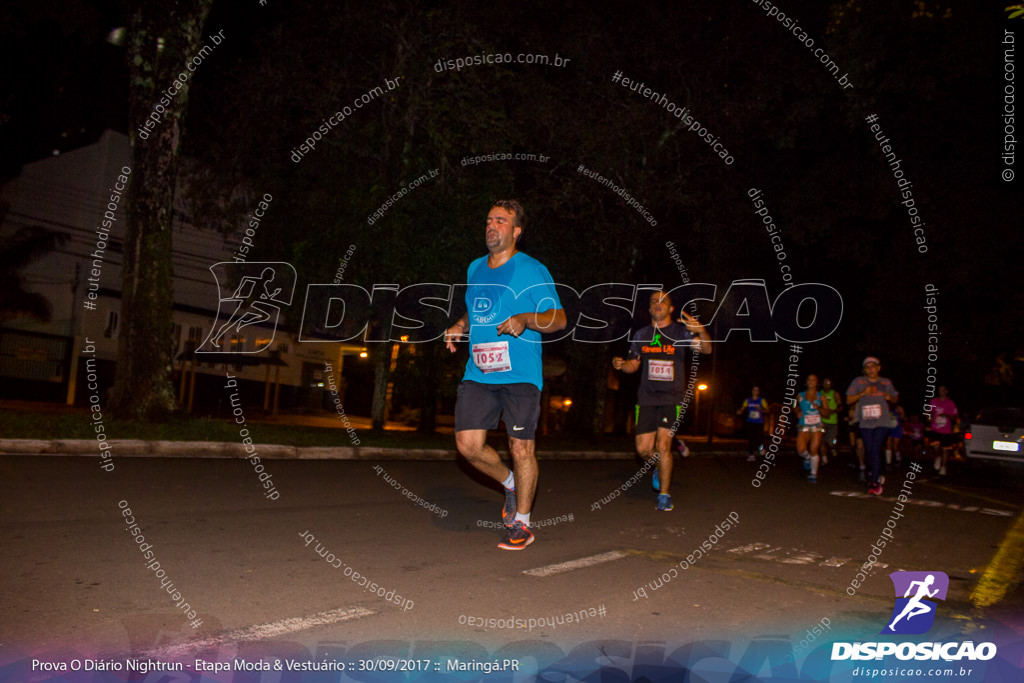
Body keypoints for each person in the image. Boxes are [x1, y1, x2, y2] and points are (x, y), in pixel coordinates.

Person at [444, 200, 566, 550]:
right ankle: (510, 482)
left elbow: (559, 319)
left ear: (516, 232)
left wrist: (526, 319)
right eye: (488, 220)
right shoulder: (474, 268)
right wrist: (459, 325)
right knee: (467, 446)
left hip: (521, 375)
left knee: (521, 447)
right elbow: (475, 309)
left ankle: (522, 524)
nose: (491, 226)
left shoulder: (531, 270)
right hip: (480, 371)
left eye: (501, 221)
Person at [611, 290, 712, 511]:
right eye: (653, 302)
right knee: (643, 450)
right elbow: (633, 365)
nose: (658, 304)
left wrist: (701, 331)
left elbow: (706, 348)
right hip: (646, 398)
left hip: (672, 397)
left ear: (671, 308)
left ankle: (664, 496)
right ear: (649, 309)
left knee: (663, 445)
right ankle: (658, 465)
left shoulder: (680, 332)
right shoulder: (641, 335)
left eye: (663, 301)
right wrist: (621, 365)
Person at [846, 357, 898, 495]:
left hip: (882, 422)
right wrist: (863, 393)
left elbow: (895, 397)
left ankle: (874, 483)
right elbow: (848, 399)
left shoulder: (886, 382)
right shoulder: (858, 382)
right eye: (867, 367)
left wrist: (890, 398)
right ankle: (878, 473)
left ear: (878, 368)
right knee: (869, 451)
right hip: (866, 422)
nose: (870, 369)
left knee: (875, 449)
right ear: (864, 370)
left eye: (873, 366)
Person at [795, 374, 830, 483]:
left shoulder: (821, 396)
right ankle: (807, 458)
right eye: (809, 379)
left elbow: (827, 413)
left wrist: (819, 408)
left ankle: (813, 474)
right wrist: (797, 411)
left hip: (816, 426)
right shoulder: (799, 395)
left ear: (817, 383)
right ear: (806, 382)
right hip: (803, 426)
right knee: (800, 449)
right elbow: (794, 406)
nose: (811, 381)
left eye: (813, 380)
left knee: (814, 449)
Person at [925, 385, 960, 476]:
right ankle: (938, 458)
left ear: (946, 391)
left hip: (946, 430)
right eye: (939, 390)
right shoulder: (933, 401)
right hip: (935, 428)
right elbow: (928, 413)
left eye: (943, 390)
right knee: (936, 446)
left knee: (945, 449)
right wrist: (929, 418)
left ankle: (943, 467)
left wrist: (946, 415)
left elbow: (955, 417)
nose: (941, 391)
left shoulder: (950, 403)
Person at [737, 386, 769, 462]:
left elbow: (767, 410)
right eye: (754, 390)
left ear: (759, 392)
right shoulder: (747, 400)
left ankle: (761, 449)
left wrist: (761, 409)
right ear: (752, 391)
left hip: (759, 422)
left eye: (757, 390)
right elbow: (742, 408)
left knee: (759, 438)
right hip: (750, 421)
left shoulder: (762, 400)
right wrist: (740, 411)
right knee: (751, 438)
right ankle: (751, 455)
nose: (756, 391)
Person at [819, 378, 842, 465]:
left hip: (832, 422)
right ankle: (824, 459)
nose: (826, 385)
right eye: (824, 383)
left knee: (831, 442)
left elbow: (840, 407)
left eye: (828, 383)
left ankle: (833, 448)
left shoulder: (835, 394)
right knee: (821, 440)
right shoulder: (819, 394)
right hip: (822, 421)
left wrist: (833, 411)